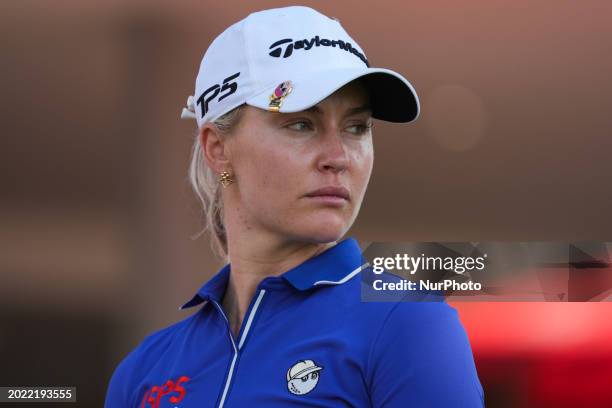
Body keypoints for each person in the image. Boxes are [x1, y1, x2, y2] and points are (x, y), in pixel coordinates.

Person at [104, 5, 484, 407]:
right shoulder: (145, 370)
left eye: (357, 127)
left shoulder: (407, 323)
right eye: (302, 124)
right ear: (218, 149)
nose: (338, 156)